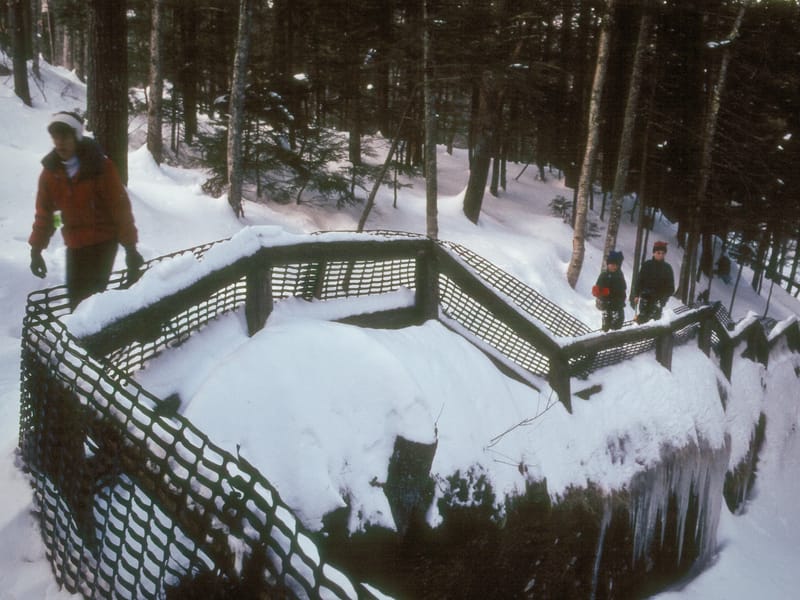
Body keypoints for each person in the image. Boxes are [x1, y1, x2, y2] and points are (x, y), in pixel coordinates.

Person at [28, 111, 144, 309]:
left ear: (77, 137)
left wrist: (130, 248)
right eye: (55, 137)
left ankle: (101, 337)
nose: (59, 142)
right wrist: (37, 249)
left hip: (103, 242)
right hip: (75, 245)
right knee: (76, 302)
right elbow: (48, 215)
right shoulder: (50, 173)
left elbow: (120, 209)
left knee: (91, 302)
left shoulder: (100, 167)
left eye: (64, 136)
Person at [632, 240, 675, 324]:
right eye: (658, 253)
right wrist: (636, 295)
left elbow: (671, 288)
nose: (660, 255)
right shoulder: (646, 265)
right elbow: (639, 281)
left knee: (655, 323)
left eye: (663, 253)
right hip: (645, 299)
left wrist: (663, 300)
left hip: (658, 301)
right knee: (642, 321)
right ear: (654, 253)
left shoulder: (667, 268)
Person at [592, 250, 627, 331]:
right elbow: (598, 290)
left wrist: (621, 299)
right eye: (612, 264)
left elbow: (623, 288)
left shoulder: (620, 275)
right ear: (608, 264)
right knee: (606, 326)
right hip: (607, 306)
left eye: (616, 265)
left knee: (617, 325)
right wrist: (600, 291)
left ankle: (614, 340)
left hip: (618, 306)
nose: (614, 267)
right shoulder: (604, 275)